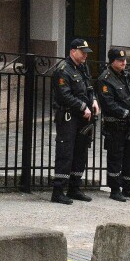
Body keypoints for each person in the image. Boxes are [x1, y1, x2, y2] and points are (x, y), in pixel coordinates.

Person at [50, 39, 100, 205]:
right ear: (73, 51)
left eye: (86, 52)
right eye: (82, 51)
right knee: (66, 152)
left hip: (83, 118)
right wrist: (81, 106)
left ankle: (74, 187)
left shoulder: (83, 67)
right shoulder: (63, 70)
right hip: (68, 116)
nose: (85, 55)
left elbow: (89, 87)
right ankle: (58, 191)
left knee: (81, 152)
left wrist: (93, 100)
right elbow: (64, 95)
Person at [96, 47, 130, 202]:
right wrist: (125, 114)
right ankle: (115, 189)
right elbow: (108, 104)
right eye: (120, 60)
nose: (123, 62)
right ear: (112, 61)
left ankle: (129, 187)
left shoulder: (126, 75)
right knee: (116, 157)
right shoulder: (105, 79)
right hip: (115, 125)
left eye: (124, 60)